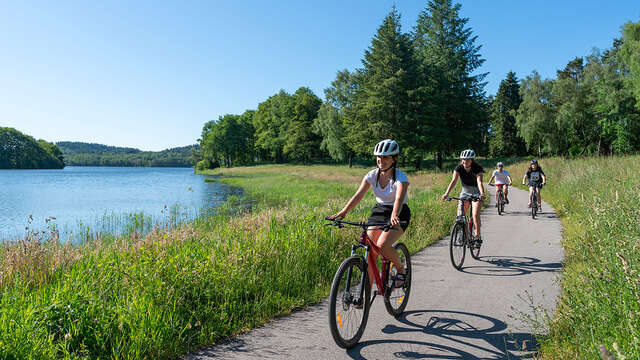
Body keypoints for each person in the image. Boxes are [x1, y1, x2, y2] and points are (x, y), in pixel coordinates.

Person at [328, 139, 411, 288]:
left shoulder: (401, 178)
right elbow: (358, 195)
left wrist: (394, 215)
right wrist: (344, 211)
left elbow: (398, 198)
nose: (381, 160)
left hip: (399, 212)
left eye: (386, 157)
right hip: (379, 211)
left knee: (383, 245)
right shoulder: (372, 175)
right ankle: (365, 294)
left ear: (395, 159)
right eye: (378, 157)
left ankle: (401, 269)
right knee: (371, 253)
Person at [441, 149, 485, 246]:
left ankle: (477, 237)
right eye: (463, 159)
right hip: (464, 193)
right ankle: (462, 234)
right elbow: (453, 181)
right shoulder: (459, 168)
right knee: (460, 216)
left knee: (475, 214)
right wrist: (446, 193)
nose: (465, 161)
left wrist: (482, 193)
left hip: (476, 192)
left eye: (467, 160)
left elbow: (479, 182)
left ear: (472, 160)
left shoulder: (477, 168)